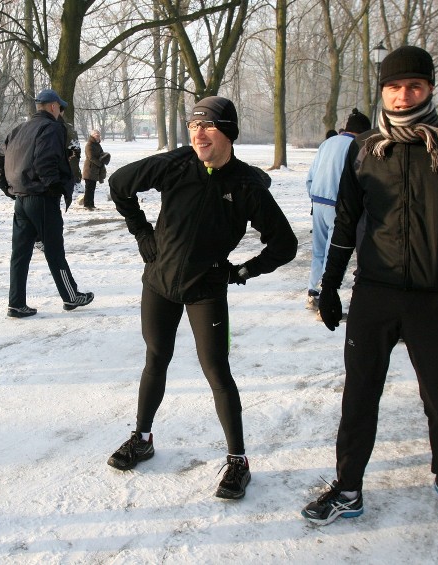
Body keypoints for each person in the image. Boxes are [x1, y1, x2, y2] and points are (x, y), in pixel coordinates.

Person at [301, 46, 438, 533]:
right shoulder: (364, 148)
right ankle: (348, 489)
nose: (404, 95)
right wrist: (328, 286)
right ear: (382, 91)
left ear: (429, 88)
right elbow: (345, 222)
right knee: (360, 396)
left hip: (436, 297)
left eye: (414, 86)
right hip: (375, 295)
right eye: (394, 87)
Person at [106, 96, 298, 499]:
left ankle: (238, 461)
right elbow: (120, 184)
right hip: (158, 283)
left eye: (208, 125)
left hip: (206, 291)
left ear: (227, 131)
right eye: (193, 125)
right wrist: (142, 233)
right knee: (155, 359)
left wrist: (240, 272)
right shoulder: (177, 164)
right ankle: (142, 437)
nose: (198, 132)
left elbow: (284, 244)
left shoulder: (246, 185)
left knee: (217, 372)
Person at [0, 88, 94, 318]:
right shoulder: (52, 127)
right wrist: (53, 186)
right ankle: (71, 297)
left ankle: (16, 303)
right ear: (53, 107)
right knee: (54, 249)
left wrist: (11, 190)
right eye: (61, 109)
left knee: (20, 253)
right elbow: (45, 160)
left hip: (22, 200)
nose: (61, 114)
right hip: (42, 199)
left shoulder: (19, 129)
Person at [305, 108, 371, 317]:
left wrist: (314, 196)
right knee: (331, 251)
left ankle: (312, 291)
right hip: (338, 205)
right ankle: (325, 296)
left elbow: (310, 176)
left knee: (318, 250)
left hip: (318, 201)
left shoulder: (327, 144)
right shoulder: (358, 146)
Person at [81, 129, 110, 210]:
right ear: (92, 135)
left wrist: (106, 156)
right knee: (89, 188)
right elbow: (91, 157)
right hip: (89, 170)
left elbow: (101, 154)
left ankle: (91, 204)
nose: (98, 136)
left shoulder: (97, 145)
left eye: (99, 135)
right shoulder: (89, 145)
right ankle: (87, 205)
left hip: (95, 170)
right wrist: (99, 164)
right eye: (96, 135)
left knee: (92, 188)